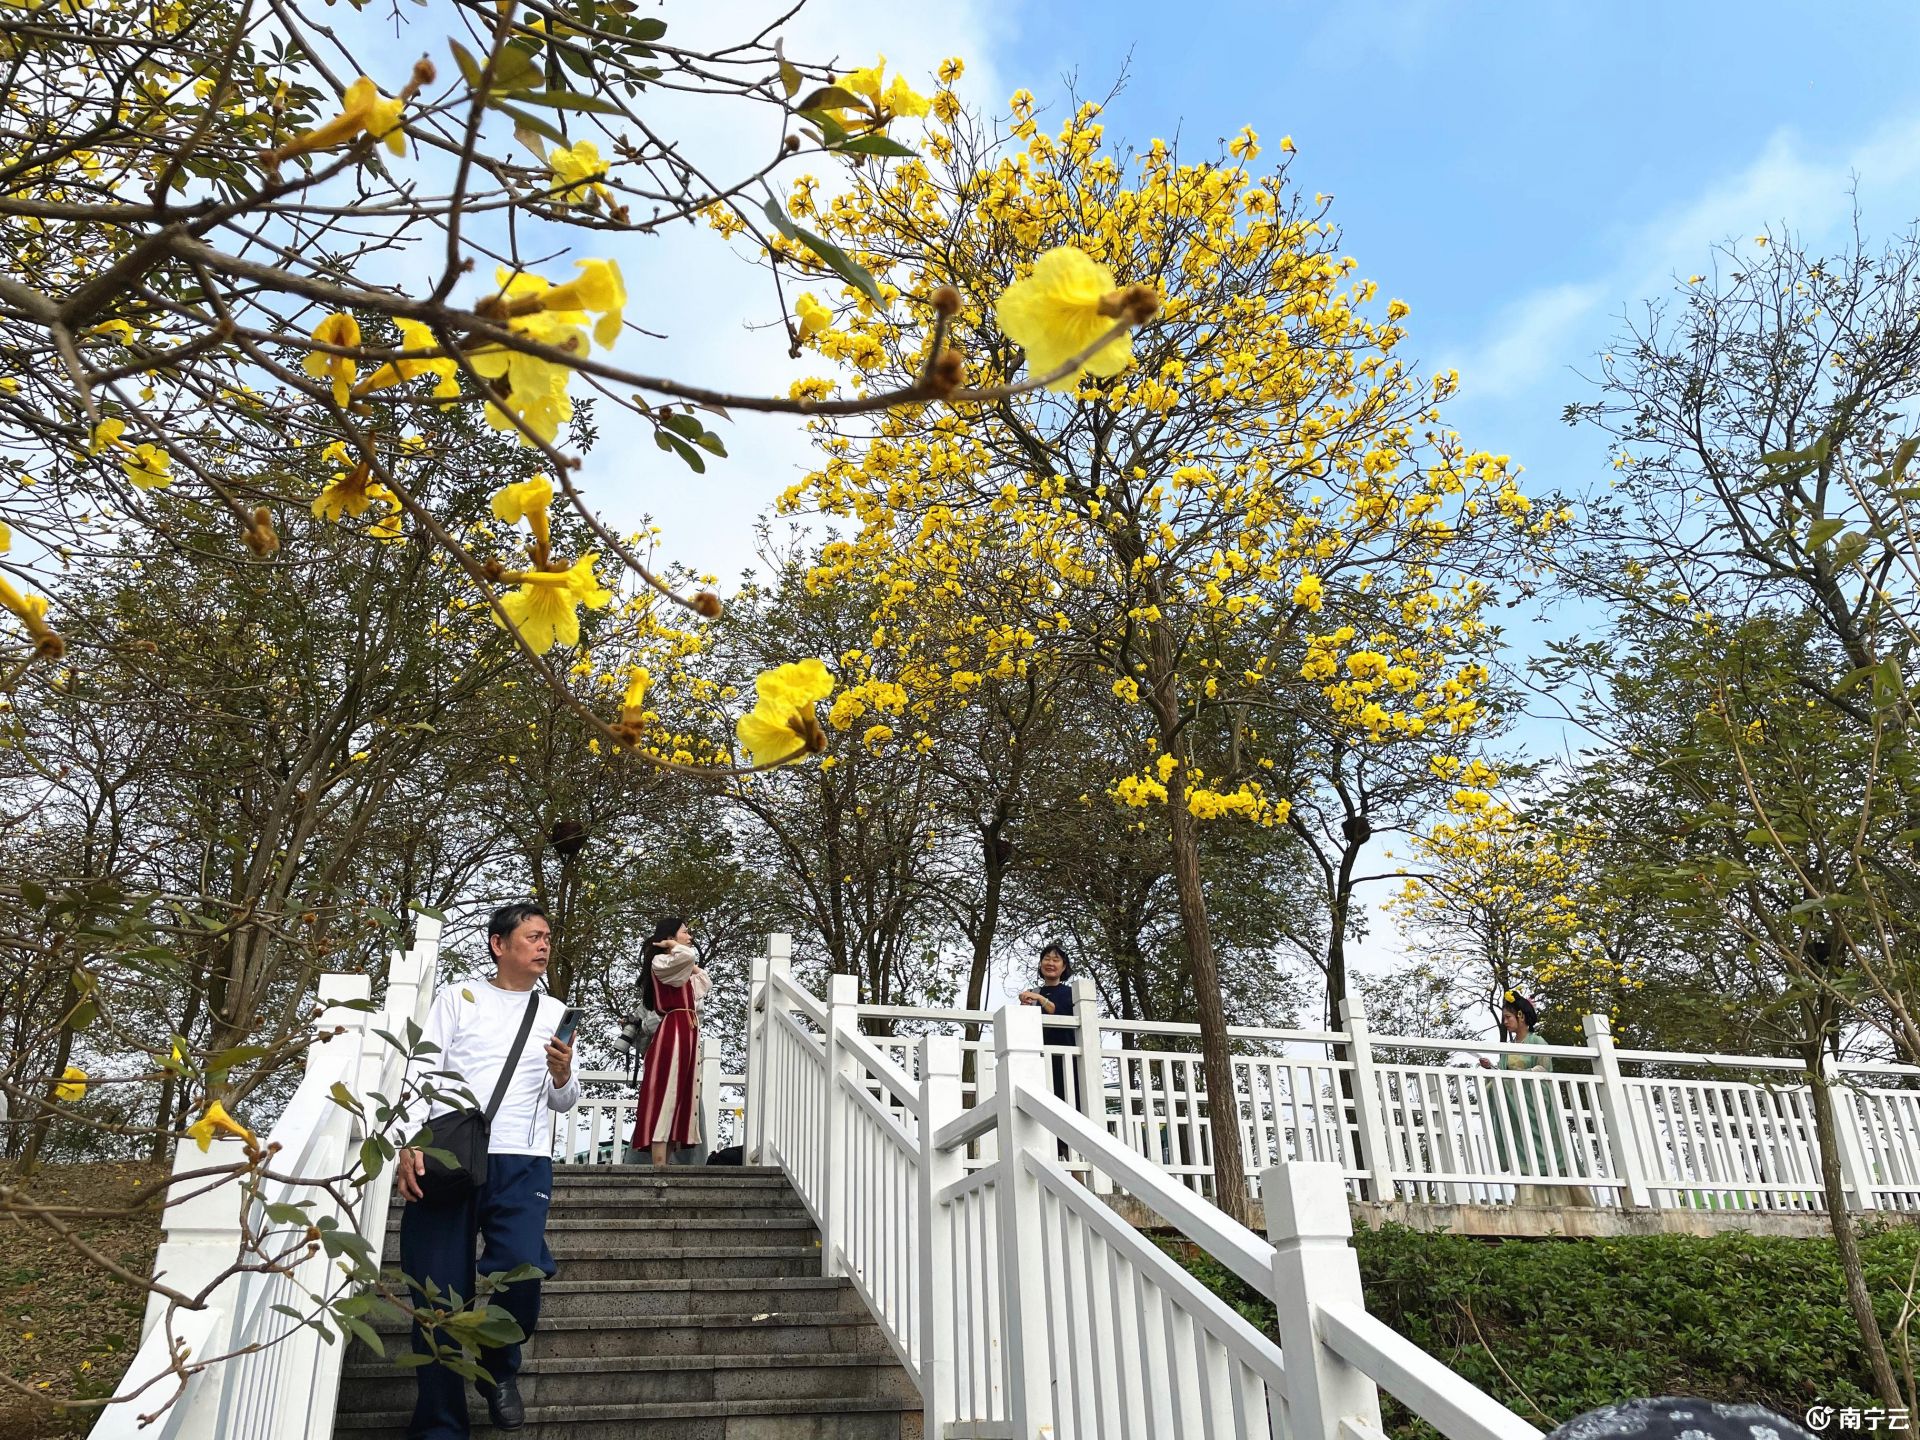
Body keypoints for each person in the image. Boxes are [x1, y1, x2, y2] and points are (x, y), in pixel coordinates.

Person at [395, 902, 578, 1437]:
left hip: (523, 1162)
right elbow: (422, 1068)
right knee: (436, 1294)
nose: (544, 945)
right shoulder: (458, 998)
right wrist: (409, 1139)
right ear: (499, 944)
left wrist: (564, 1075)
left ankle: (499, 1370)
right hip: (448, 1158)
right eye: (533, 936)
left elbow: (561, 1102)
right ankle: (440, 1426)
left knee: (522, 1267)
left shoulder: (556, 1013)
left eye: (548, 937)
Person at [1479, 988, 1590, 1207]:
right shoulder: (1508, 1049)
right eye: (1504, 1018)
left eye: (1508, 1017)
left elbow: (1544, 1069)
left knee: (1551, 1149)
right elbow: (1502, 1076)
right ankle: (1528, 1200)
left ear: (1521, 1017)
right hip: (1516, 1109)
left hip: (1537, 1106)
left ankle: (1561, 1200)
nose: (1505, 1022)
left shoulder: (1537, 1042)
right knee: (1524, 1152)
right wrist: (1491, 1069)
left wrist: (1521, 1076)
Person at [631, 916, 710, 1166]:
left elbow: (704, 980)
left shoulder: (678, 968)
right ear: (671, 937)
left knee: (682, 1092)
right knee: (666, 1092)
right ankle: (659, 1164)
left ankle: (668, 1160)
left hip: (686, 1031)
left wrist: (675, 947)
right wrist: (670, 946)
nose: (690, 937)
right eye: (684, 932)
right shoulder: (662, 961)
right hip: (673, 1031)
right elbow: (687, 958)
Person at [1018, 942, 1078, 1104]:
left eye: (1056, 960)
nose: (1050, 963)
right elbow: (1024, 1027)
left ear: (1064, 967)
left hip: (1065, 1060)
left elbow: (1060, 1014)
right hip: (1038, 1059)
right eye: (1046, 959)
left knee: (1067, 1103)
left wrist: (1041, 999)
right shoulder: (1035, 993)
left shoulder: (1070, 993)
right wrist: (1024, 1008)